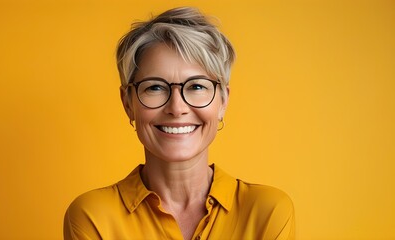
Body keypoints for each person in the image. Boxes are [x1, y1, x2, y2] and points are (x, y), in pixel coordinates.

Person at [64, 6, 295, 240]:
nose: (176, 108)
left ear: (223, 101)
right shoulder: (93, 215)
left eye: (196, 86)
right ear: (127, 103)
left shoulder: (267, 211)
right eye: (155, 87)